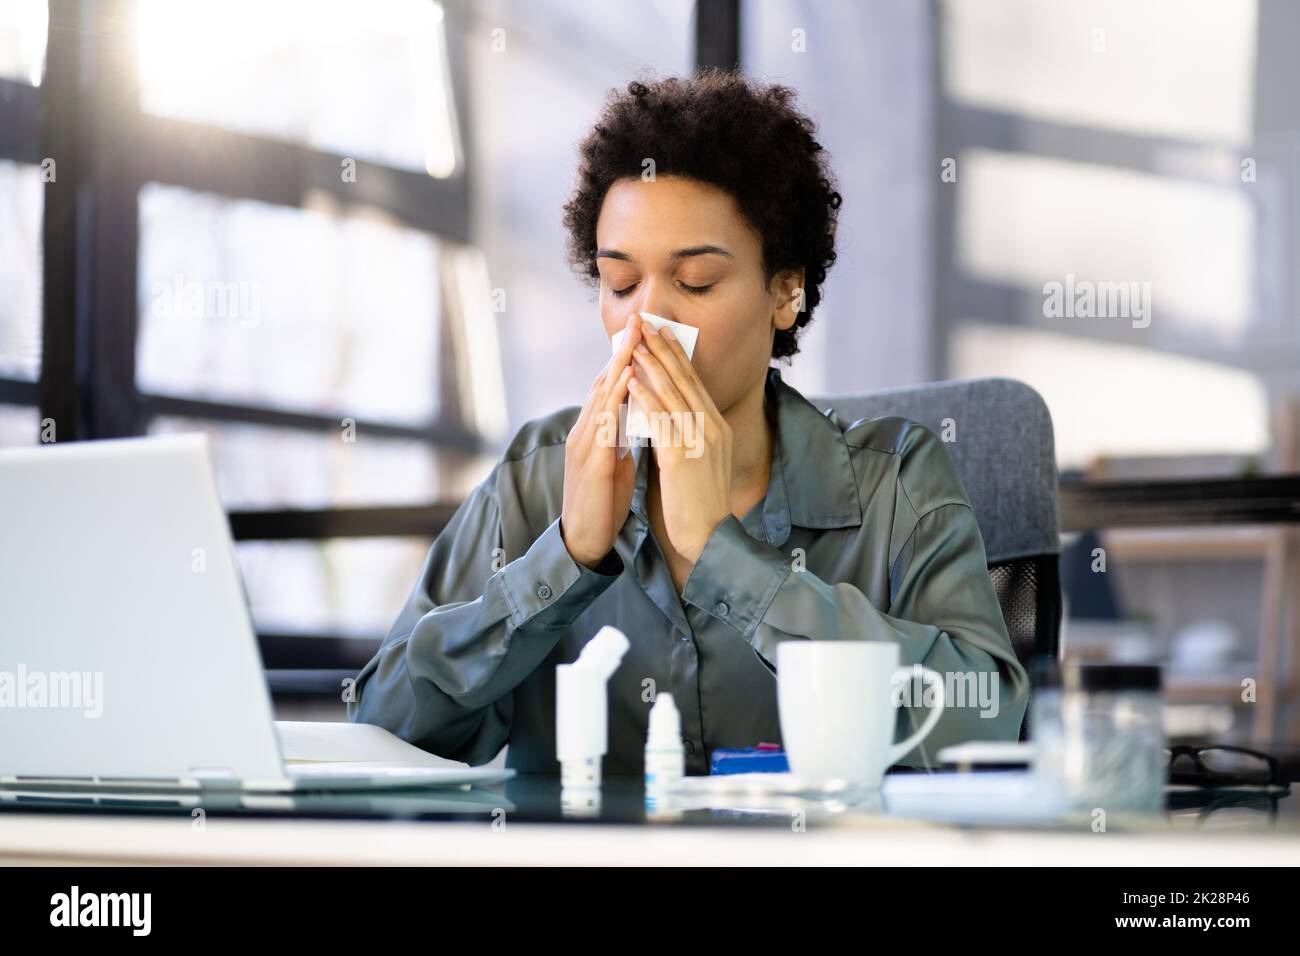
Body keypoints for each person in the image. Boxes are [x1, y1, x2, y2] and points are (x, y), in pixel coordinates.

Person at [349, 71, 1028, 775]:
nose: (648, 319)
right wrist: (568, 557)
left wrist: (725, 556)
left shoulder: (898, 484)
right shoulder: (539, 474)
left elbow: (983, 720)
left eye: (696, 282)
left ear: (786, 290)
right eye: (620, 284)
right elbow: (384, 726)